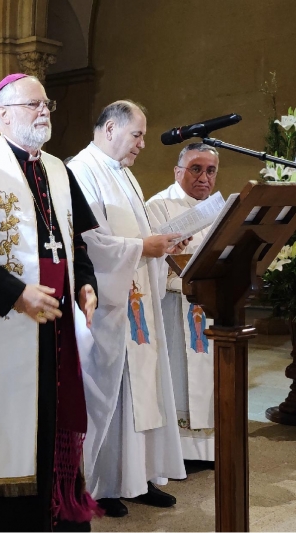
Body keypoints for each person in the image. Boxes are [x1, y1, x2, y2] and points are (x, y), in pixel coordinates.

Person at [0, 73, 101, 532]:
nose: (44, 111)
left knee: (55, 420)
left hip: (59, 325)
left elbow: (75, 247)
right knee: (5, 430)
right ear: (3, 114)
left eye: (46, 104)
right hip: (8, 324)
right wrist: (16, 294)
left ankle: (58, 518)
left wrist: (85, 285)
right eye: (32, 105)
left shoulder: (59, 172)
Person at [67, 101, 187, 518]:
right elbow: (89, 243)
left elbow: (135, 235)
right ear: (111, 127)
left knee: (141, 389)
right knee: (108, 396)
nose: (142, 143)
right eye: (137, 134)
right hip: (107, 305)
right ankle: (100, 485)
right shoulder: (81, 170)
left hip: (137, 300)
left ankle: (138, 478)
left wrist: (160, 243)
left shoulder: (126, 175)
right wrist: (143, 247)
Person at [147, 143, 221, 462]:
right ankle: (178, 451)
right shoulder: (159, 206)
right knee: (179, 376)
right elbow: (149, 258)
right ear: (178, 171)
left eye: (211, 170)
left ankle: (206, 450)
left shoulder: (221, 209)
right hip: (175, 305)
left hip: (213, 305)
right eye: (196, 168)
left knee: (207, 378)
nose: (203, 177)